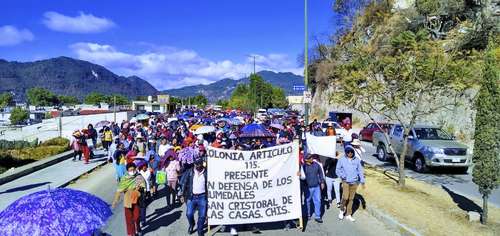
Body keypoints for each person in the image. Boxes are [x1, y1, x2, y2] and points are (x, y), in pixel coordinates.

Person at [112, 163, 146, 236]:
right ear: (127, 170)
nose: (132, 171)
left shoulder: (138, 176)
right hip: (127, 201)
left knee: (136, 217)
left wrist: (139, 188)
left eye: (133, 169)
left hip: (136, 200)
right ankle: (132, 233)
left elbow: (143, 185)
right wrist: (115, 201)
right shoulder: (124, 178)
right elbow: (119, 190)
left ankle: (138, 228)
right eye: (130, 170)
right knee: (129, 219)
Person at [336, 145, 365, 222]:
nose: (350, 153)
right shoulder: (342, 160)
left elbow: (360, 171)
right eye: (348, 152)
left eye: (351, 152)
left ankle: (348, 214)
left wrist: (362, 181)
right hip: (345, 182)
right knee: (345, 197)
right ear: (346, 153)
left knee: (351, 199)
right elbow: (337, 170)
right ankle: (342, 210)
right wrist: (343, 176)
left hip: (354, 182)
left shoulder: (357, 160)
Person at [179, 157, 207, 236]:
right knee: (189, 214)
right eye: (196, 164)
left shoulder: (206, 172)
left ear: (202, 164)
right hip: (191, 196)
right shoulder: (190, 172)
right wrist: (181, 194)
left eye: (199, 164)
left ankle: (200, 230)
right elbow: (183, 183)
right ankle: (192, 224)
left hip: (203, 197)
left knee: (202, 215)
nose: (197, 166)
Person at [300, 154, 325, 223]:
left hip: (316, 186)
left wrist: (322, 182)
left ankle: (317, 216)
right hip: (307, 187)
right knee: (307, 201)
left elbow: (320, 173)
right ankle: (307, 215)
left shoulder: (316, 164)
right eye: (309, 158)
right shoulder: (303, 167)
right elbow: (302, 177)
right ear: (306, 160)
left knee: (318, 201)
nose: (311, 158)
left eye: (311, 157)